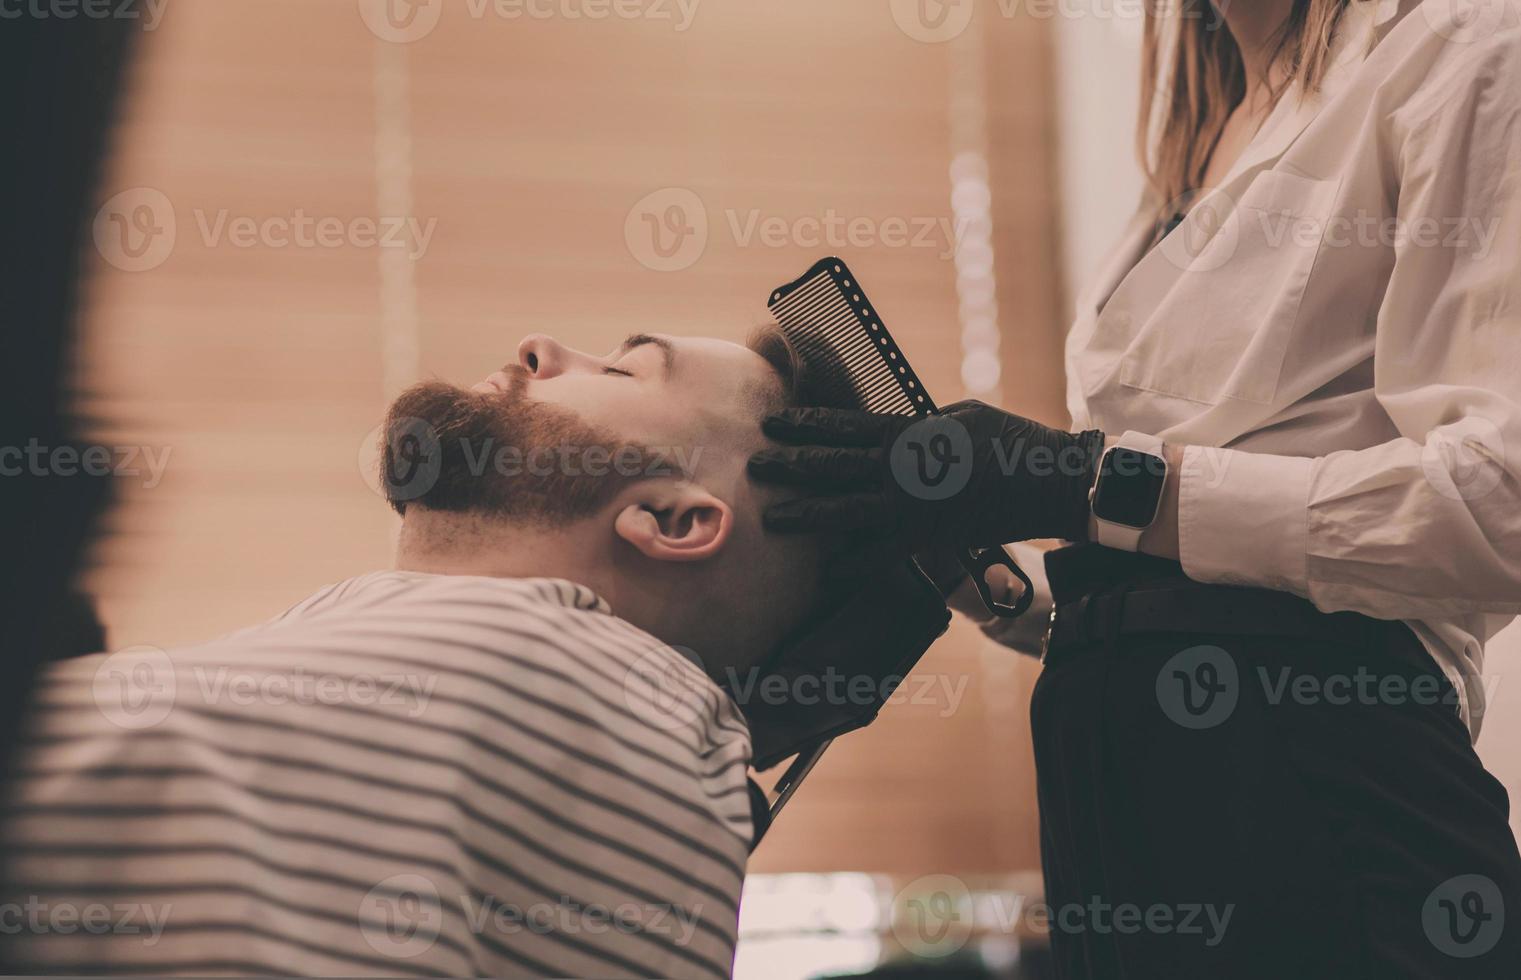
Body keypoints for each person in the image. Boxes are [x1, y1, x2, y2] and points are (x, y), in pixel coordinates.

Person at [748, 0, 1521, 976]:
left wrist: (1081, 480)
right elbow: (1191, 573)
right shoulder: (1193, 155)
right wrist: (1001, 589)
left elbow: (1501, 507)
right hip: (1115, 799)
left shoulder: (1461, 44)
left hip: (1318, 784)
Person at [0, 325, 847, 978]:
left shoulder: (597, 687)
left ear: (670, 521)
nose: (539, 345)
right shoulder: (571, 700)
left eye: (625, 370)